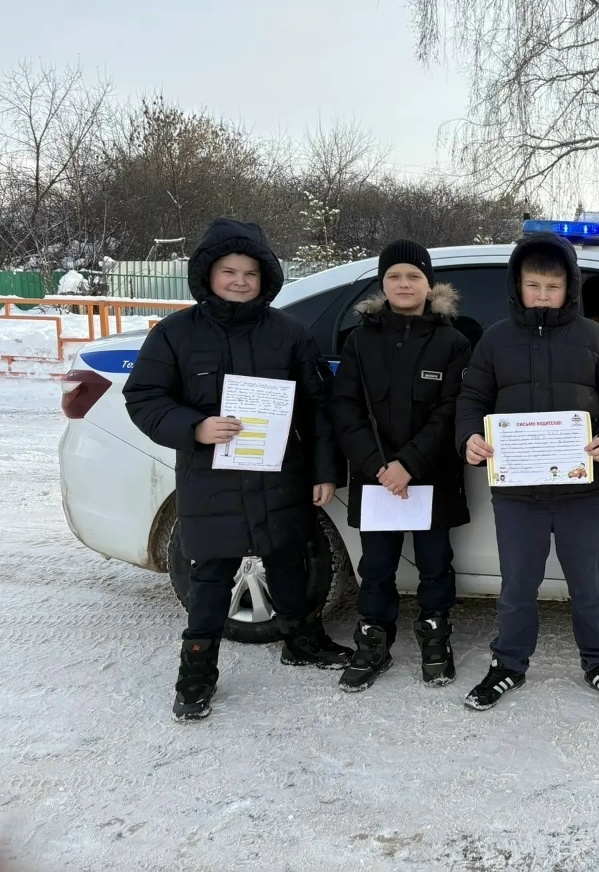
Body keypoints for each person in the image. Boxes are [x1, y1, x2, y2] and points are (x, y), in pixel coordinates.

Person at [124, 217, 351, 721]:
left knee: (292, 561)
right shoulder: (176, 335)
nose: (240, 281)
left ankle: (302, 641)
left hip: (279, 475)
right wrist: (195, 427)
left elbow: (317, 409)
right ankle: (197, 673)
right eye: (229, 270)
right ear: (207, 274)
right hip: (211, 480)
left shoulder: (290, 334)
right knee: (211, 578)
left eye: (251, 272)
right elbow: (143, 397)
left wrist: (323, 471)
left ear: (266, 278)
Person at [454, 232, 599, 712]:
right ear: (517, 285)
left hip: (583, 491)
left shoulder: (595, 339)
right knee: (517, 586)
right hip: (517, 492)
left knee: (589, 586)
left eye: (552, 287)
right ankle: (508, 665)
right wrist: (469, 437)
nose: (542, 295)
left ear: (570, 288)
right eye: (533, 285)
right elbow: (472, 399)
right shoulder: (496, 340)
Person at [329, 239, 473, 692]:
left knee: (436, 563)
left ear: (430, 284)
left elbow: (451, 410)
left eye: (414, 276)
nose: (404, 284)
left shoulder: (453, 342)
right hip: (376, 480)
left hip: (431, 476)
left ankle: (435, 634)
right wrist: (379, 467)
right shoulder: (358, 340)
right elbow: (345, 411)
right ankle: (374, 638)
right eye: (395, 276)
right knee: (376, 565)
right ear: (383, 283)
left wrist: (407, 464)